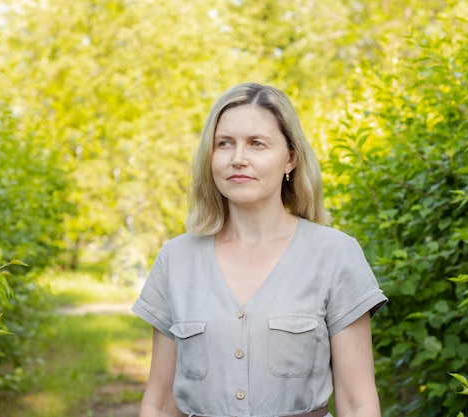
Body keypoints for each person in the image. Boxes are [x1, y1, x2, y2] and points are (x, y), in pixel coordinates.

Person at [132, 82, 388, 417]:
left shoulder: (335, 255)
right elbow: (161, 405)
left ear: (290, 159)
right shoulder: (176, 260)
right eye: (224, 144)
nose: (238, 159)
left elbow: (358, 404)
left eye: (257, 144)